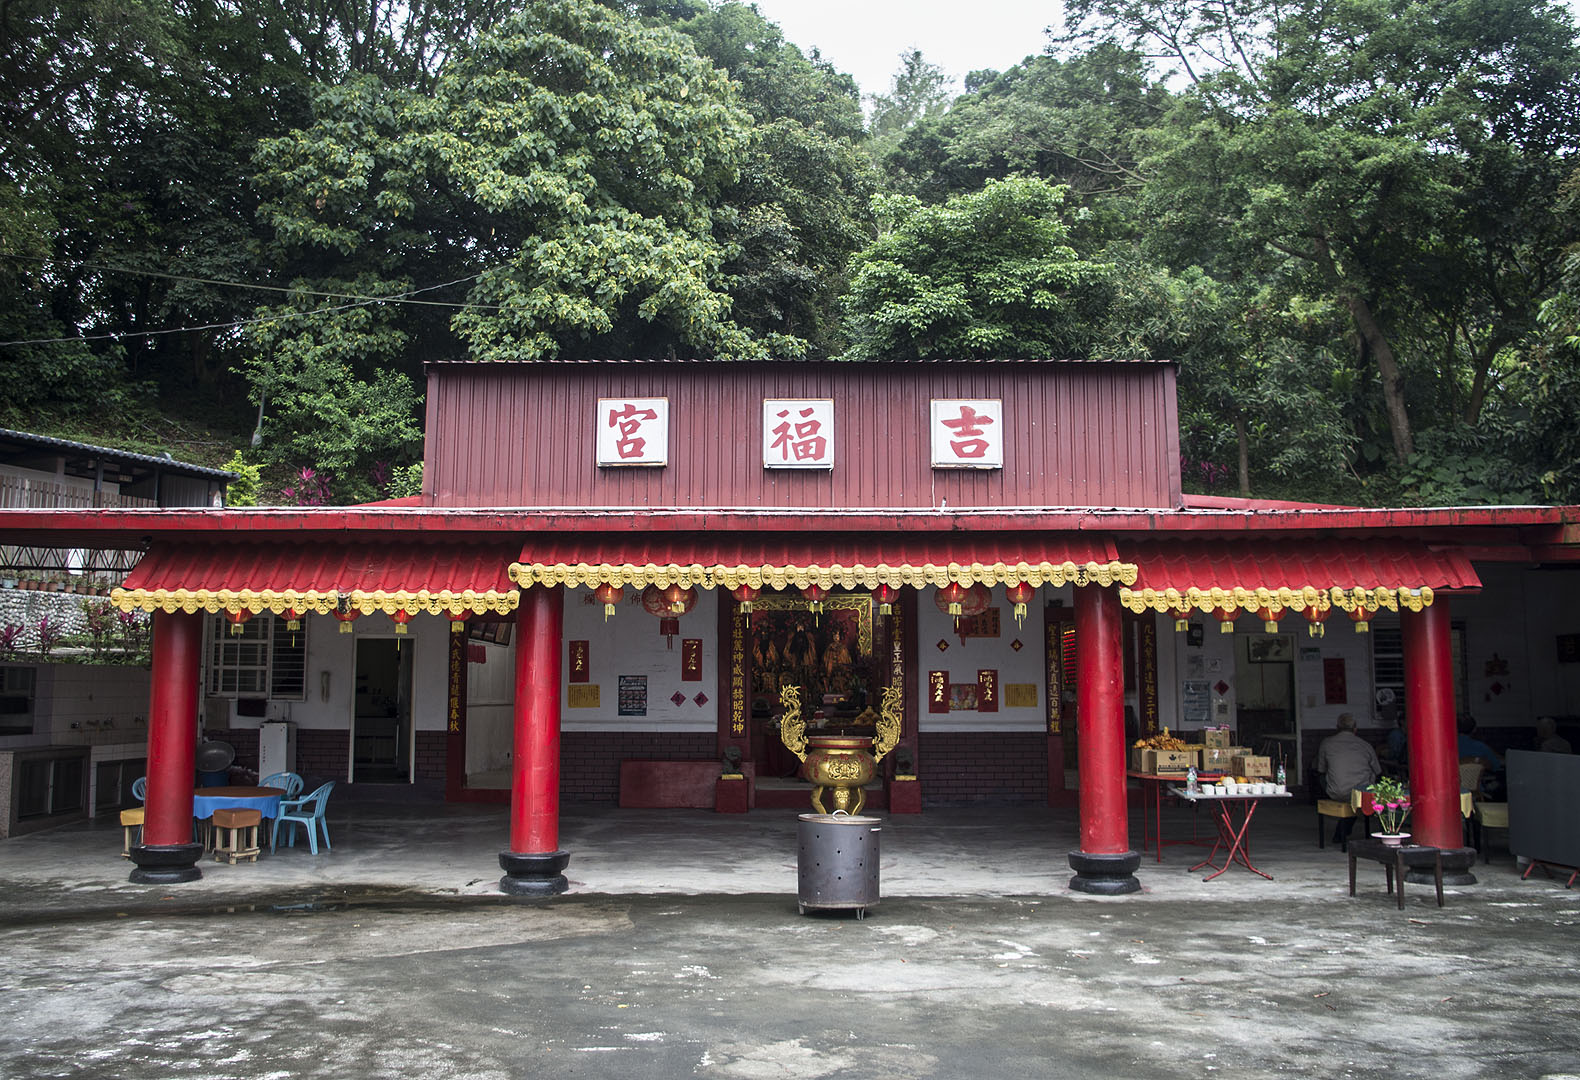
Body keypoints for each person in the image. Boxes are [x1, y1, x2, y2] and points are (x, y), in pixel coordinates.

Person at [1315, 713, 1381, 846]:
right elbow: (1378, 770)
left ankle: (1342, 830)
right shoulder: (1365, 745)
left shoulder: (1327, 743)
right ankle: (1345, 829)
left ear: (1337, 727)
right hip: (1361, 793)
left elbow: (1320, 769)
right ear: (1355, 728)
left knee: (1323, 777)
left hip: (1336, 791)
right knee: (1369, 781)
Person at [1457, 715, 1504, 797]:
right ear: (1474, 729)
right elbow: (1496, 766)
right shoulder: (1481, 747)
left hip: (1452, 790)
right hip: (1475, 792)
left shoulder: (1446, 747)